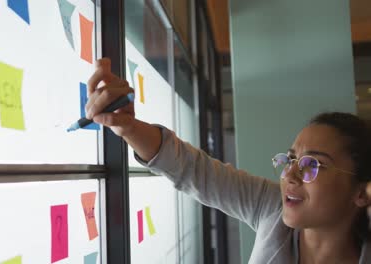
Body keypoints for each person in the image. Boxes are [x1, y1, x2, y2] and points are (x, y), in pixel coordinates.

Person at [85, 58, 371, 263]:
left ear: (361, 192)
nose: (289, 176)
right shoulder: (271, 209)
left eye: (312, 165)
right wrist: (128, 127)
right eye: (291, 159)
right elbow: (194, 170)